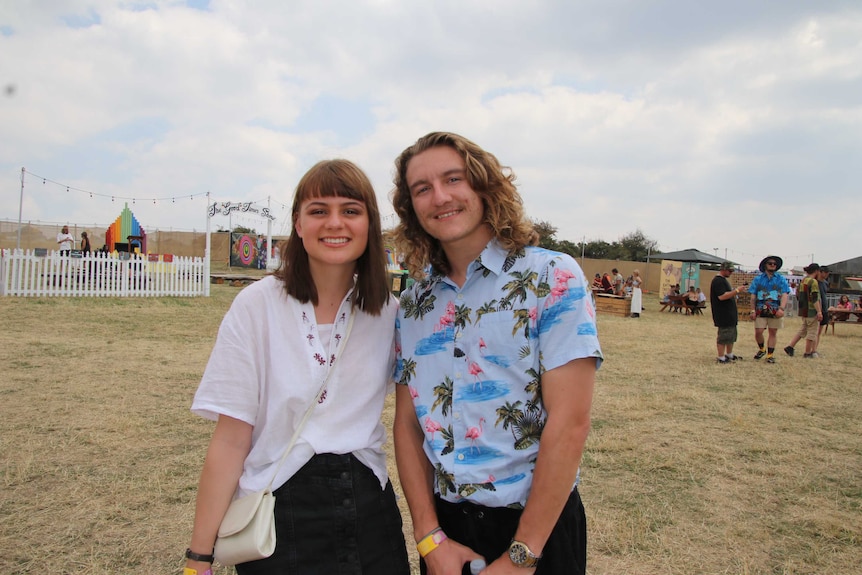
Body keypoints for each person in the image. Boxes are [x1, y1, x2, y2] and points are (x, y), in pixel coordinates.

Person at [390, 132, 602, 575]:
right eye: (422, 188)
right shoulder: (413, 303)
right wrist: (430, 539)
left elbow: (570, 423)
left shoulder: (552, 276)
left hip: (538, 531)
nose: (440, 197)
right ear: (412, 208)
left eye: (454, 179)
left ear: (485, 186)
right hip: (448, 532)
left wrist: (523, 555)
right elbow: (408, 425)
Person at [185, 160, 410, 575]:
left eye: (350, 210)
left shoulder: (390, 313)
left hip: (368, 510)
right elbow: (232, 439)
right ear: (298, 223)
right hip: (278, 511)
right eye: (318, 210)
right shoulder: (256, 306)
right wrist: (199, 556)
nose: (334, 223)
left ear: (370, 224)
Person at [747, 255, 791, 363]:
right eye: (770, 263)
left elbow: (785, 294)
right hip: (760, 309)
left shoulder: (781, 279)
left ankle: (770, 355)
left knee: (773, 332)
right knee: (759, 331)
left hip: (775, 309)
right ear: (765, 265)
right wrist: (752, 310)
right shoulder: (758, 279)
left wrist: (781, 308)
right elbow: (753, 295)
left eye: (774, 264)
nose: (772, 265)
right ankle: (762, 349)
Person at [783, 263, 823, 359]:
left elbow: (798, 295)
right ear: (816, 271)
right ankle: (807, 352)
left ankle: (790, 346)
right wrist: (819, 311)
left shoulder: (804, 280)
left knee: (803, 330)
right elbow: (814, 298)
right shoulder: (813, 282)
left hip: (803, 310)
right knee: (812, 332)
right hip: (811, 311)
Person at [711, 261, 747, 364]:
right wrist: (737, 291)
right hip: (723, 314)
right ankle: (721, 357)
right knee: (724, 335)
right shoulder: (718, 281)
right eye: (729, 270)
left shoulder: (723, 280)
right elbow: (722, 296)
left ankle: (729, 354)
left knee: (731, 335)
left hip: (730, 314)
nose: (731, 272)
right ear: (723, 269)